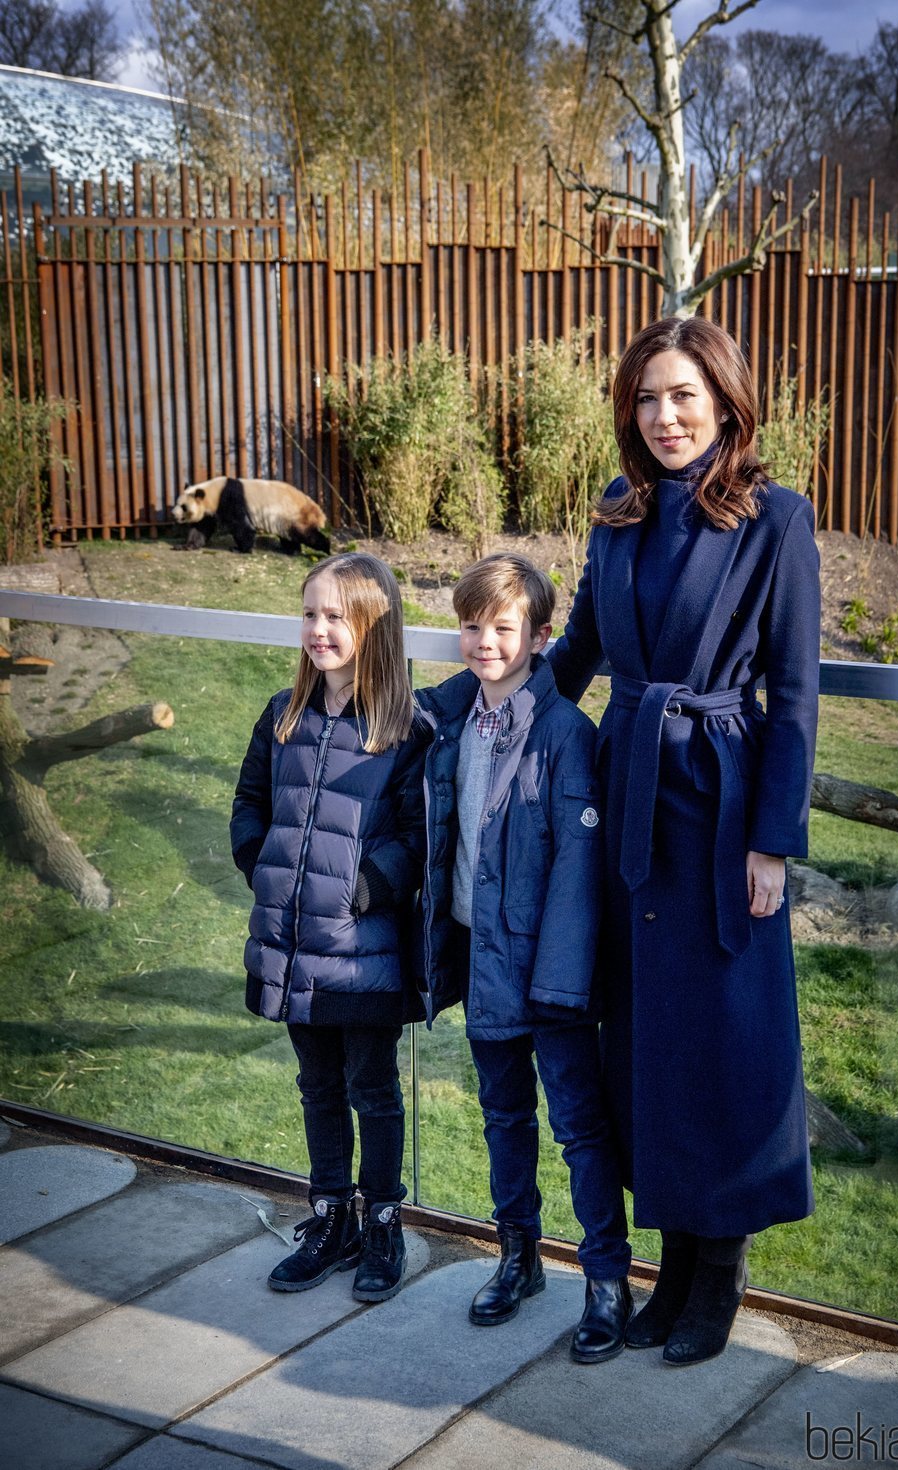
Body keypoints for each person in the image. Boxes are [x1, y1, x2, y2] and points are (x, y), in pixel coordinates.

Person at [549, 317, 821, 1367]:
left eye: (681, 396)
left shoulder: (773, 520)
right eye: (646, 398)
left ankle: (719, 1275)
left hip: (718, 808)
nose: (662, 417)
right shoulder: (613, 520)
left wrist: (771, 841)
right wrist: (460, 708)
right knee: (648, 1045)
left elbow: (793, 696)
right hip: (629, 807)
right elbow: (572, 653)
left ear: (723, 402)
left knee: (724, 1043)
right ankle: (669, 1270)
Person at [415, 553, 633, 1364]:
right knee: (503, 1117)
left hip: (552, 973)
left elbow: (579, 877)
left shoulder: (566, 736)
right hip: (481, 960)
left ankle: (607, 1278)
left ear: (541, 636)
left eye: (502, 629)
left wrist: (563, 983)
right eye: (471, 627)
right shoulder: (452, 723)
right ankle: (518, 1257)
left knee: (578, 1128)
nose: (484, 643)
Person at [231, 552, 426, 1304]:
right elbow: (249, 804)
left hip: (361, 955)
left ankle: (382, 1225)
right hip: (288, 948)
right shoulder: (282, 715)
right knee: (317, 1087)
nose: (319, 628)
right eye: (310, 613)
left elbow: (415, 837)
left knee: (372, 1089)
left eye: (336, 615)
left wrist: (366, 889)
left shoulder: (403, 729)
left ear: (374, 628)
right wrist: (263, 863)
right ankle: (330, 1216)